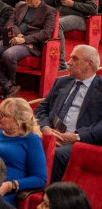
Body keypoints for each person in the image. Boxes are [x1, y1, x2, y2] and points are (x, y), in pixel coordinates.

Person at [35, 45, 102, 182]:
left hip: (81, 141)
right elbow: (41, 109)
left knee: (56, 154)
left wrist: (77, 136)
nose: (68, 62)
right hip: (51, 133)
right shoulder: (61, 82)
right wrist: (45, 128)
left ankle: (48, 194)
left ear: (89, 64)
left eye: (74, 59)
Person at [0, 0, 57, 98]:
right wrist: (18, 35)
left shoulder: (49, 11)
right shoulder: (20, 6)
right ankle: (8, 85)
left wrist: (24, 39)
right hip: (13, 38)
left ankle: (10, 82)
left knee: (9, 55)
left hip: (30, 44)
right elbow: (11, 23)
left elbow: (46, 33)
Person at [50, 0, 97, 71]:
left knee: (57, 25)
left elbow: (94, 9)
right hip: (61, 15)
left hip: (79, 18)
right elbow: (50, 4)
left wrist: (73, 4)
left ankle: (61, 63)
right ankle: (48, 59)